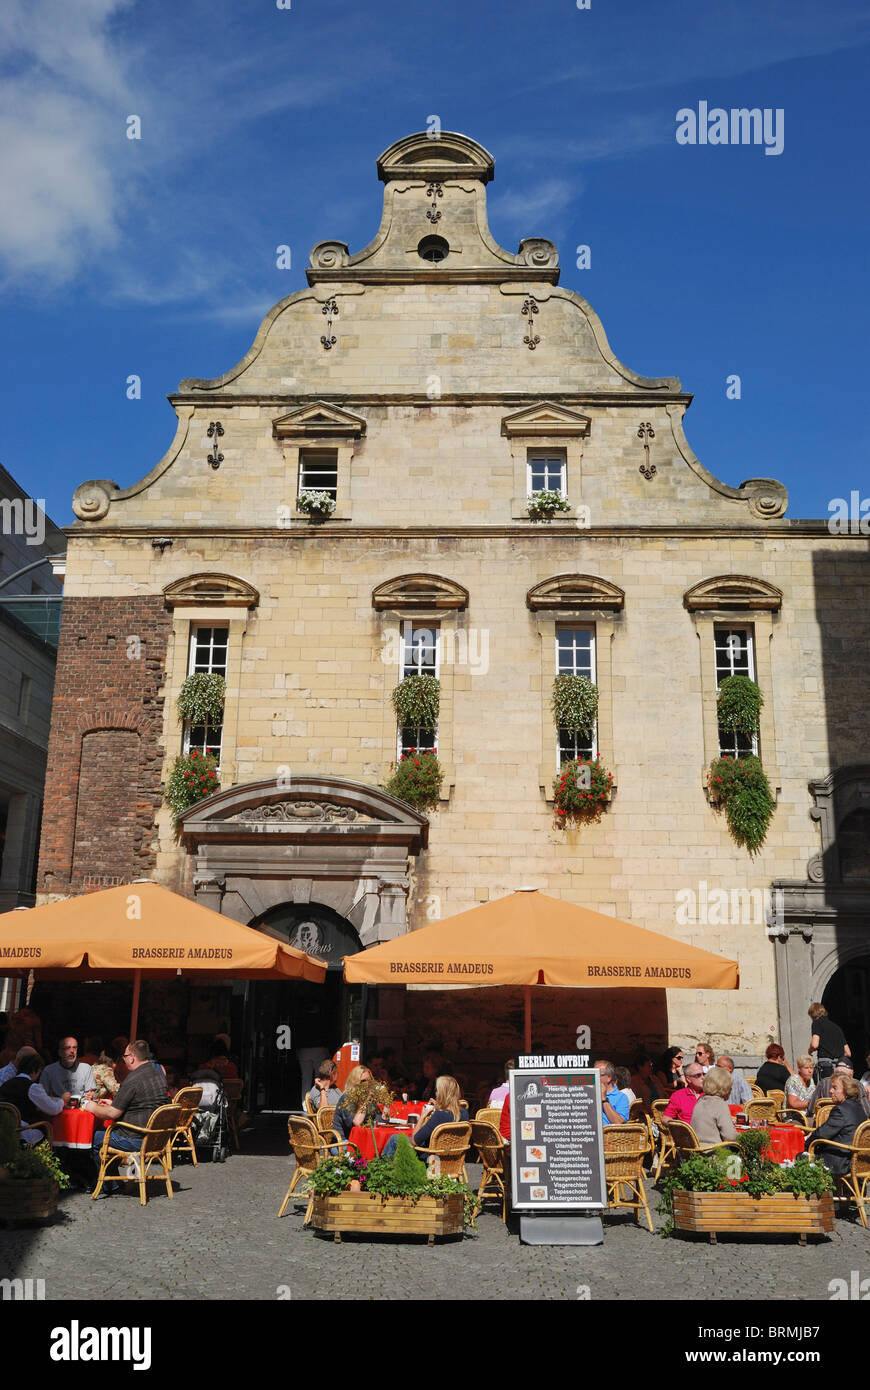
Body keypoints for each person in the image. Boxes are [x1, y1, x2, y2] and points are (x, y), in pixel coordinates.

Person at [82, 1039, 169, 1195]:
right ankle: (114, 1182)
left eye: (124, 1056)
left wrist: (90, 1106)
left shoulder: (133, 1079)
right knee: (107, 1132)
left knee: (95, 1138)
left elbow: (112, 1113)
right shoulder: (158, 1074)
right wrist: (111, 1102)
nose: (123, 1059)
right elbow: (145, 1102)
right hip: (157, 1138)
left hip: (136, 1138)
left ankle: (109, 1185)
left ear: (132, 1057)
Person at [381, 1075, 467, 1158]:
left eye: (437, 1090)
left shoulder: (439, 1115)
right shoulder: (464, 1113)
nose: (436, 1093)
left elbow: (414, 1141)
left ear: (442, 1093)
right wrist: (439, 1107)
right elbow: (448, 1114)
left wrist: (423, 1116)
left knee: (394, 1139)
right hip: (454, 1155)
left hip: (431, 1155)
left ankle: (385, 1170)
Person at [0, 1051, 65, 1144]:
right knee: (47, 1128)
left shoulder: (6, 1084)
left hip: (5, 1130)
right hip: (23, 1131)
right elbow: (53, 1109)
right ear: (37, 1070)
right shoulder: (32, 1087)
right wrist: (62, 1101)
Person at [811, 1074, 866, 1176]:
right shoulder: (859, 1108)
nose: (830, 1091)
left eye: (835, 1088)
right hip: (860, 1161)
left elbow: (822, 1134)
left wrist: (806, 1143)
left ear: (846, 1091)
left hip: (840, 1163)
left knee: (801, 1157)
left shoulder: (840, 1110)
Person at [690, 1067, 739, 1145]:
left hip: (696, 1150)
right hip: (714, 1152)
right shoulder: (719, 1104)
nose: (731, 1090)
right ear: (724, 1087)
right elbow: (730, 1136)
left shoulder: (701, 1100)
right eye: (730, 1087)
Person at [40, 1037, 95, 1101]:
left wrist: (90, 1095)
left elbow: (91, 1093)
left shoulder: (86, 1068)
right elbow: (42, 1097)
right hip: (59, 1108)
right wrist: (59, 1100)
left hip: (81, 1107)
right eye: (68, 1048)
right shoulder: (49, 1071)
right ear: (60, 1052)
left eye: (74, 1047)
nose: (72, 1051)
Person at [331, 1065, 374, 1142]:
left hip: (362, 1139)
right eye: (363, 1081)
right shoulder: (347, 1098)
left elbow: (379, 1119)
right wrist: (366, 1101)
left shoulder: (368, 1097)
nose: (367, 1084)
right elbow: (354, 1124)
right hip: (344, 1142)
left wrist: (386, 1102)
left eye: (369, 1081)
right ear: (355, 1082)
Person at [808, 1003, 850, 1082]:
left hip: (826, 1065)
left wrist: (809, 1050)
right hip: (840, 1066)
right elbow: (848, 1053)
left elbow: (814, 1044)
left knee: (827, 1091)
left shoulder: (817, 1023)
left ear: (812, 1014)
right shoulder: (837, 1028)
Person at [594, 1060, 629, 1125]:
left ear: (609, 1077)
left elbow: (619, 1122)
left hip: (609, 1134)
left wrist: (604, 1099)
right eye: (592, 1075)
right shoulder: (590, 1094)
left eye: (597, 1075)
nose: (593, 1078)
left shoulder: (621, 1097)